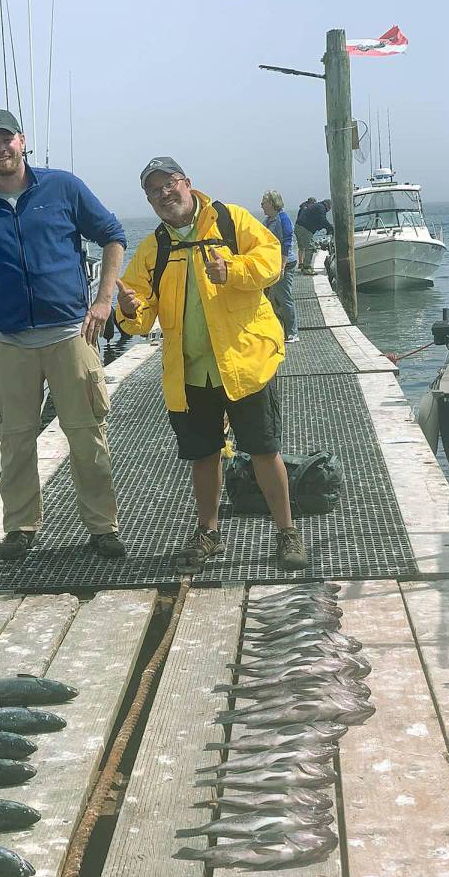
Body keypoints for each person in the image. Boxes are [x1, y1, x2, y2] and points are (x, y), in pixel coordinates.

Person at [0, 109, 127, 560]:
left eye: (8, 139)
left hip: (69, 337)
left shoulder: (63, 187)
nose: (2, 148)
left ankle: (102, 527)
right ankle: (21, 528)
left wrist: (104, 301)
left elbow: (113, 236)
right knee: (15, 440)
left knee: (86, 435)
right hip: (9, 343)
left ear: (23, 141)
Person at [115, 157, 308, 571]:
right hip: (191, 371)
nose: (164, 194)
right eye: (154, 191)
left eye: (169, 184)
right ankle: (208, 532)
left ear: (187, 183)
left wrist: (233, 269)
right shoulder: (154, 248)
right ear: (149, 200)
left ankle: (287, 532)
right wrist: (129, 308)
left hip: (244, 361)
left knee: (263, 449)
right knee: (203, 455)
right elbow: (141, 314)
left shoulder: (230, 220)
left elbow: (273, 261)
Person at [261, 190, 299, 344]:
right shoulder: (267, 220)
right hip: (272, 264)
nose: (261, 206)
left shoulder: (283, 219)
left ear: (271, 203)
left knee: (284, 298)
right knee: (273, 299)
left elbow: (287, 243)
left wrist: (282, 267)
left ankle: (292, 333)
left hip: (284, 263)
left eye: (263, 202)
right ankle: (279, 330)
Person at [295, 198, 333, 274]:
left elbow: (319, 221)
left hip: (300, 227)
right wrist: (330, 228)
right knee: (310, 248)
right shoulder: (321, 208)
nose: (329, 210)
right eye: (329, 208)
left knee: (305, 247)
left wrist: (327, 227)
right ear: (328, 206)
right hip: (304, 229)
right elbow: (322, 220)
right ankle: (307, 268)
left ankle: (304, 265)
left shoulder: (318, 206)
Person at [295, 197, 316, 268]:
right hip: (303, 229)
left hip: (297, 228)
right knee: (306, 247)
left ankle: (300, 263)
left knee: (300, 247)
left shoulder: (302, 208)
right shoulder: (306, 209)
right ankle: (304, 263)